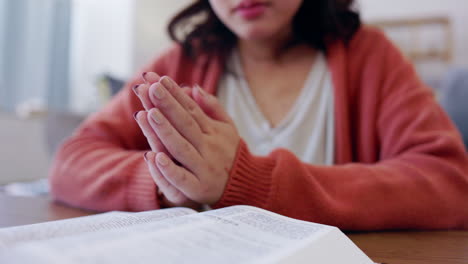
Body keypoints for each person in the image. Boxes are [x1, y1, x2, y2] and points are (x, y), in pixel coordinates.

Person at [50, 0, 468, 230]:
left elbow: (448, 184)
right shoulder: (179, 65)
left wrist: (254, 181)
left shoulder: (370, 56)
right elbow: (71, 160)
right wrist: (170, 181)